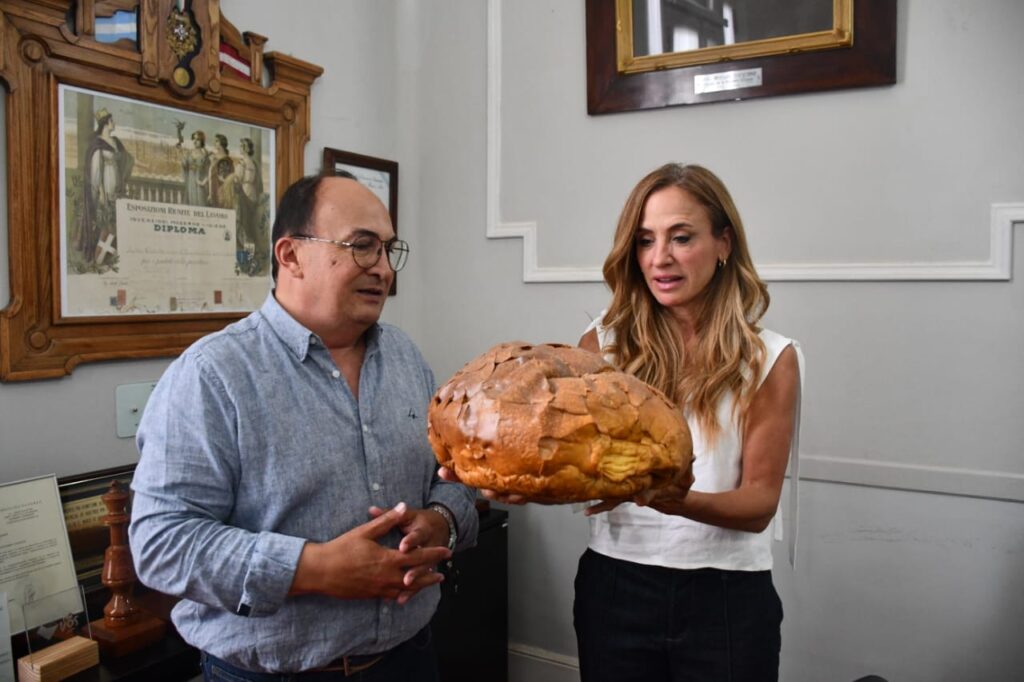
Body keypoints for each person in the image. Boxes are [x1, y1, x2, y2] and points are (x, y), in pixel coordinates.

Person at [446, 162, 803, 682]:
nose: (660, 258)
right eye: (645, 240)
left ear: (724, 243)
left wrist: (674, 500)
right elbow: (583, 466)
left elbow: (758, 505)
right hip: (616, 586)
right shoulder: (603, 344)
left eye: (681, 237)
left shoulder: (770, 358)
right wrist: (524, 484)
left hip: (726, 596)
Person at [130, 174, 478, 681]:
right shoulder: (212, 376)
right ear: (290, 255)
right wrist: (313, 569)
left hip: (410, 658)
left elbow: (454, 474)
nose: (383, 268)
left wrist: (442, 519)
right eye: (362, 245)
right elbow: (162, 544)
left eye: (388, 249)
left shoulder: (406, 358)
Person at [78, 107, 133, 268]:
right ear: (106, 123)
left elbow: (127, 159)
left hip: (118, 185)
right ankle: (101, 256)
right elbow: (95, 171)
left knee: (116, 220)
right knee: (106, 221)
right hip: (106, 185)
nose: (114, 123)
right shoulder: (97, 144)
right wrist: (100, 192)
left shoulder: (115, 141)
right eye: (111, 121)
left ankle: (113, 255)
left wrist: (124, 175)